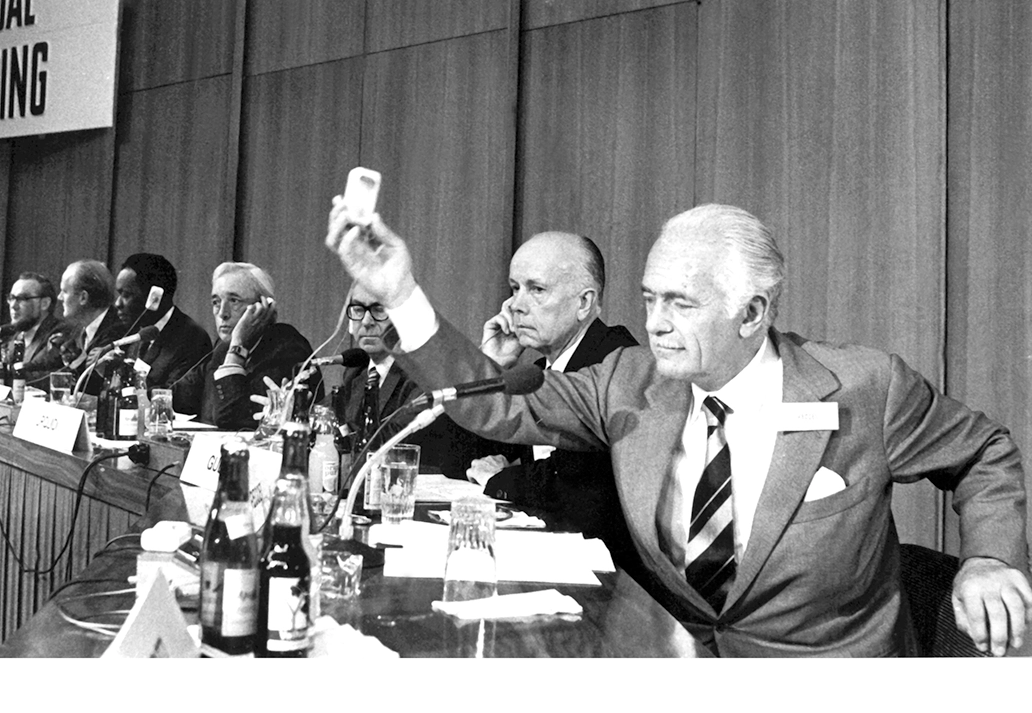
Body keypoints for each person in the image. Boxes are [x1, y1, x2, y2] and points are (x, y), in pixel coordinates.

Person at [327, 199, 1032, 657]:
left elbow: (984, 452)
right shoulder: (631, 383)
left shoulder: (863, 388)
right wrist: (400, 293)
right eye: (649, 299)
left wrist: (990, 556)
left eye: (681, 304)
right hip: (676, 674)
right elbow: (493, 406)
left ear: (751, 314)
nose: (656, 322)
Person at [470, 232, 638, 567]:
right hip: (549, 555)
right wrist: (491, 367)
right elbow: (462, 457)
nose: (516, 305)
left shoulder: (618, 361)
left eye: (537, 290)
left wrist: (501, 479)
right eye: (514, 288)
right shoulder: (536, 371)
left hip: (614, 577)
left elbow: (582, 487)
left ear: (584, 303)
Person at [336, 283, 509, 478]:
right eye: (358, 310)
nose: (366, 321)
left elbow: (392, 438)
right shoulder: (356, 371)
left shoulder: (424, 371)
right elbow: (329, 420)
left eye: (379, 310)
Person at [180, 261, 312, 430]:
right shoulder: (222, 347)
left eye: (234, 301)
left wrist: (237, 349)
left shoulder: (287, 348)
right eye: (216, 302)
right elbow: (181, 395)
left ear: (264, 307)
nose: (222, 313)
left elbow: (233, 420)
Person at [114, 253, 212, 400]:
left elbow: (175, 395)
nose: (117, 304)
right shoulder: (138, 333)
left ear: (154, 297)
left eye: (126, 295)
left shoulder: (192, 338)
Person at [57, 260, 123, 392]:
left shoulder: (117, 331)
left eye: (64, 291)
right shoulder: (77, 330)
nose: (59, 297)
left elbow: (93, 388)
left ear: (83, 297)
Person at [3, 272, 70, 383]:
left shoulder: (60, 334)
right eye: (11, 298)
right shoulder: (15, 335)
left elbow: (41, 377)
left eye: (22, 298)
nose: (13, 306)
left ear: (44, 303)